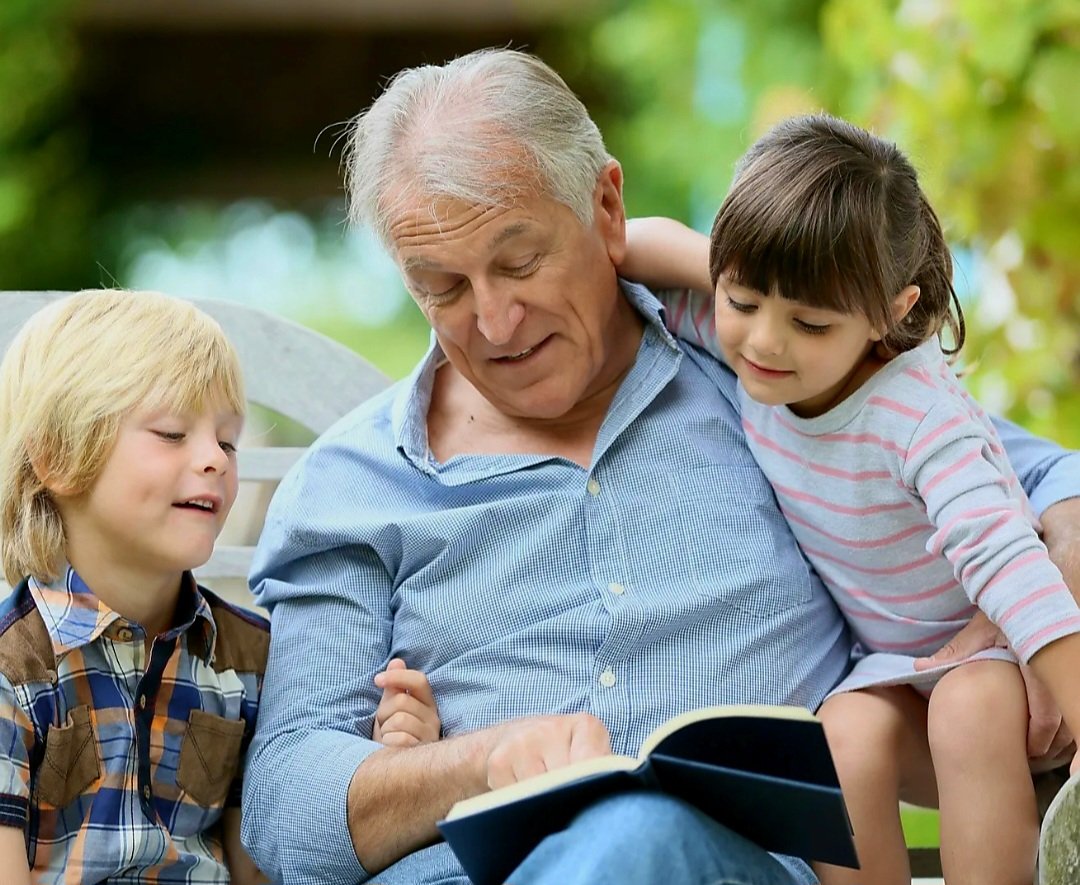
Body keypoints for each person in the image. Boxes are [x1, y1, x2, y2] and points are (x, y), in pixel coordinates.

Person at [241, 49, 1080, 885]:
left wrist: (1011, 621)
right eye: (442, 287)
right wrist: (479, 761)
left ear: (608, 208)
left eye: (520, 261)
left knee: (640, 837)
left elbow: (1038, 481)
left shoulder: (762, 375)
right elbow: (287, 817)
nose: (494, 322)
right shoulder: (352, 486)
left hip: (733, 864)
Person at [614, 113, 1080, 885]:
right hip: (899, 670)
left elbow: (1009, 563)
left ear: (891, 313)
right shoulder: (745, 344)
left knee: (969, 707)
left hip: (1015, 665)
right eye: (744, 297)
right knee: (840, 741)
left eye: (808, 319)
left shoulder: (919, 417)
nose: (765, 340)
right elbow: (625, 248)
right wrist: (758, 263)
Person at [0, 290, 269, 884]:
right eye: (172, 432)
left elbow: (256, 868)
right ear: (58, 456)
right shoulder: (13, 668)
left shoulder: (250, 659)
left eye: (227, 440)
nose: (215, 460)